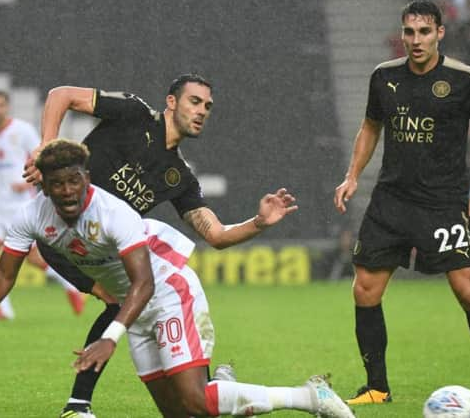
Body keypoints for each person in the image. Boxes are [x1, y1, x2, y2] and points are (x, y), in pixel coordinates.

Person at [0, 139, 354, 418]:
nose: (67, 191)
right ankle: (225, 386)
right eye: (56, 184)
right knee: (182, 413)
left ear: (86, 178)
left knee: (194, 398)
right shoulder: (32, 215)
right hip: (134, 311)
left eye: (74, 181)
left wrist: (110, 337)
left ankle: (308, 396)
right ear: (44, 187)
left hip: (167, 292)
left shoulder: (113, 213)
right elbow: (4, 270)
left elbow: (144, 282)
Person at [22, 74, 299, 416]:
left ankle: (81, 403)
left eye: (208, 107)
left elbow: (215, 235)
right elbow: (61, 95)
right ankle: (85, 401)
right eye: (194, 102)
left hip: (98, 250)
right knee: (116, 303)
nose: (202, 112)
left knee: (118, 303)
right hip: (59, 236)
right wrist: (46, 151)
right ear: (171, 102)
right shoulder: (134, 113)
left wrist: (257, 223)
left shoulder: (179, 176)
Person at [333, 0, 470, 406]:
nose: (416, 40)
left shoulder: (464, 80)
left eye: (424, 32)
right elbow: (370, 127)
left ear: (440, 33)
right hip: (390, 199)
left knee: (468, 290)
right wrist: (353, 175)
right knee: (365, 289)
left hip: (442, 202)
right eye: (409, 32)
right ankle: (376, 387)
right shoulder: (383, 77)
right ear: (402, 35)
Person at [0, 90, 85, 319]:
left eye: (1, 105)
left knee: (33, 258)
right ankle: (2, 309)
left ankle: (71, 284)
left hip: (21, 202)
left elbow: (42, 157)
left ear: (7, 107)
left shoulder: (22, 130)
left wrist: (29, 181)